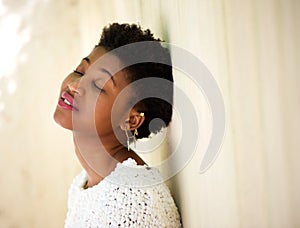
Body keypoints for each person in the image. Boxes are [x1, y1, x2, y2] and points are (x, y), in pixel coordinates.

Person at [53, 23, 181, 227]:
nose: (74, 85)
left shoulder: (134, 200)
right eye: (80, 71)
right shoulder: (84, 184)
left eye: (98, 85)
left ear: (131, 120)